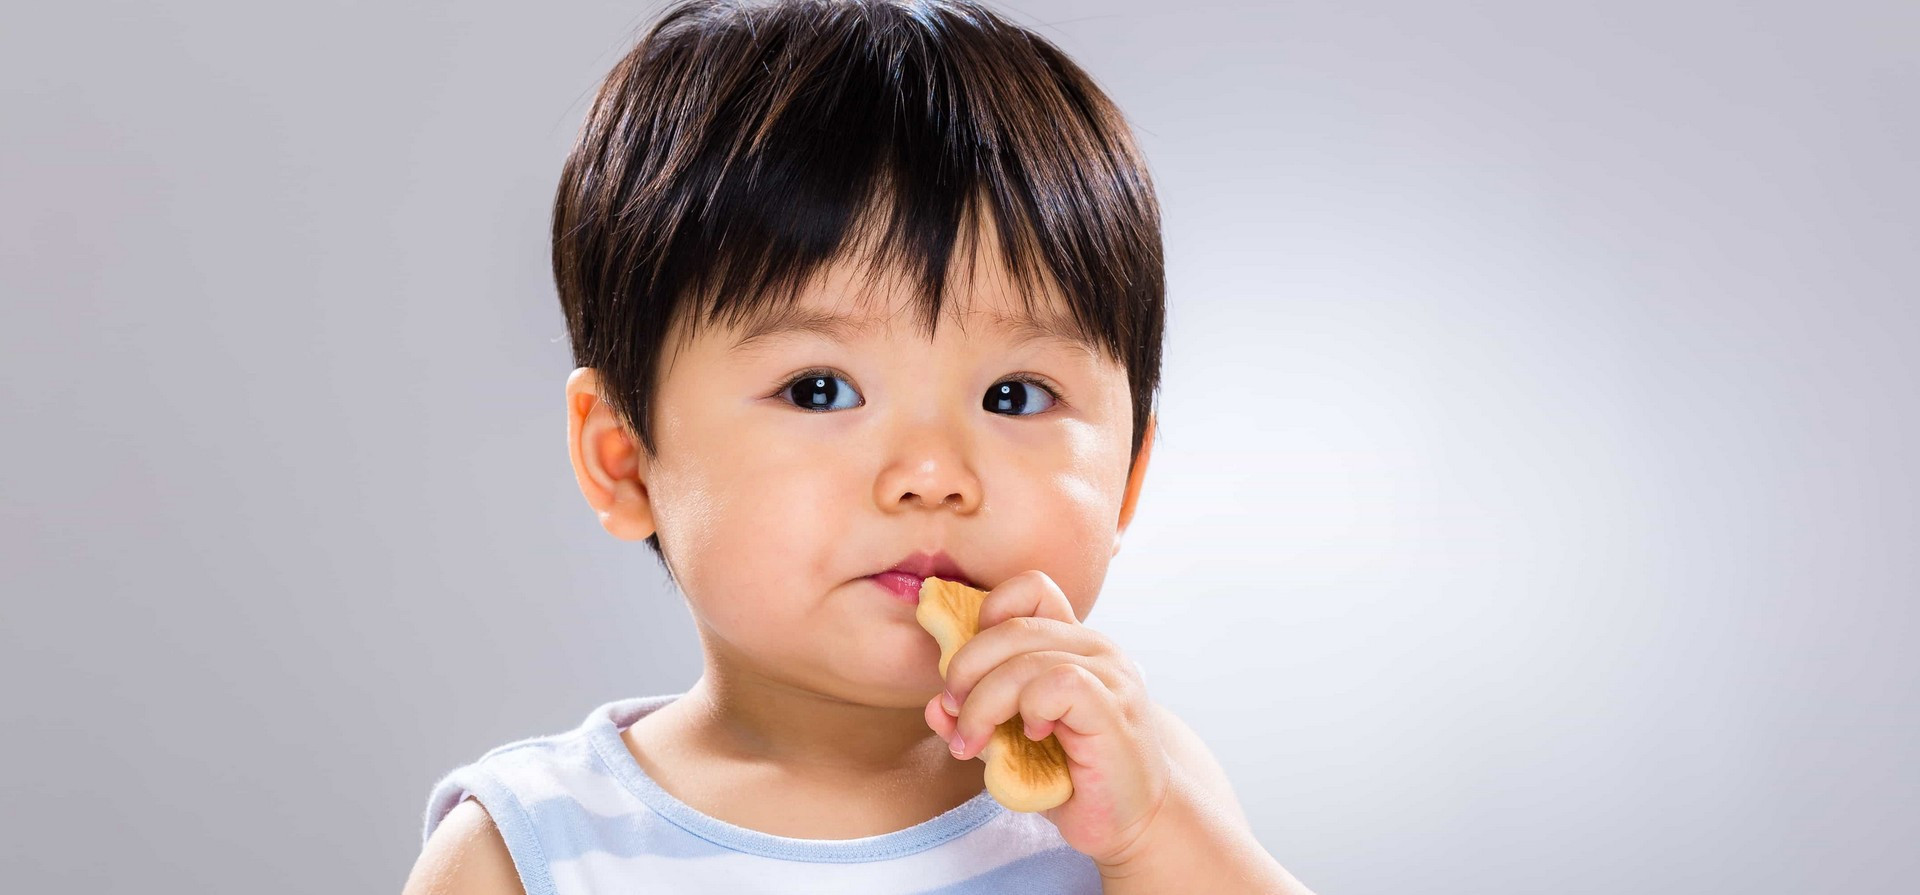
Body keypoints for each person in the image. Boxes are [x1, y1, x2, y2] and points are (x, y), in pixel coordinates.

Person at [403, 1, 1315, 891]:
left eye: (1015, 395)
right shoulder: (530, 847)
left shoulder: (1134, 787)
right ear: (624, 459)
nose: (931, 476)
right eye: (820, 389)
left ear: (1125, 482)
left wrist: (1154, 838)